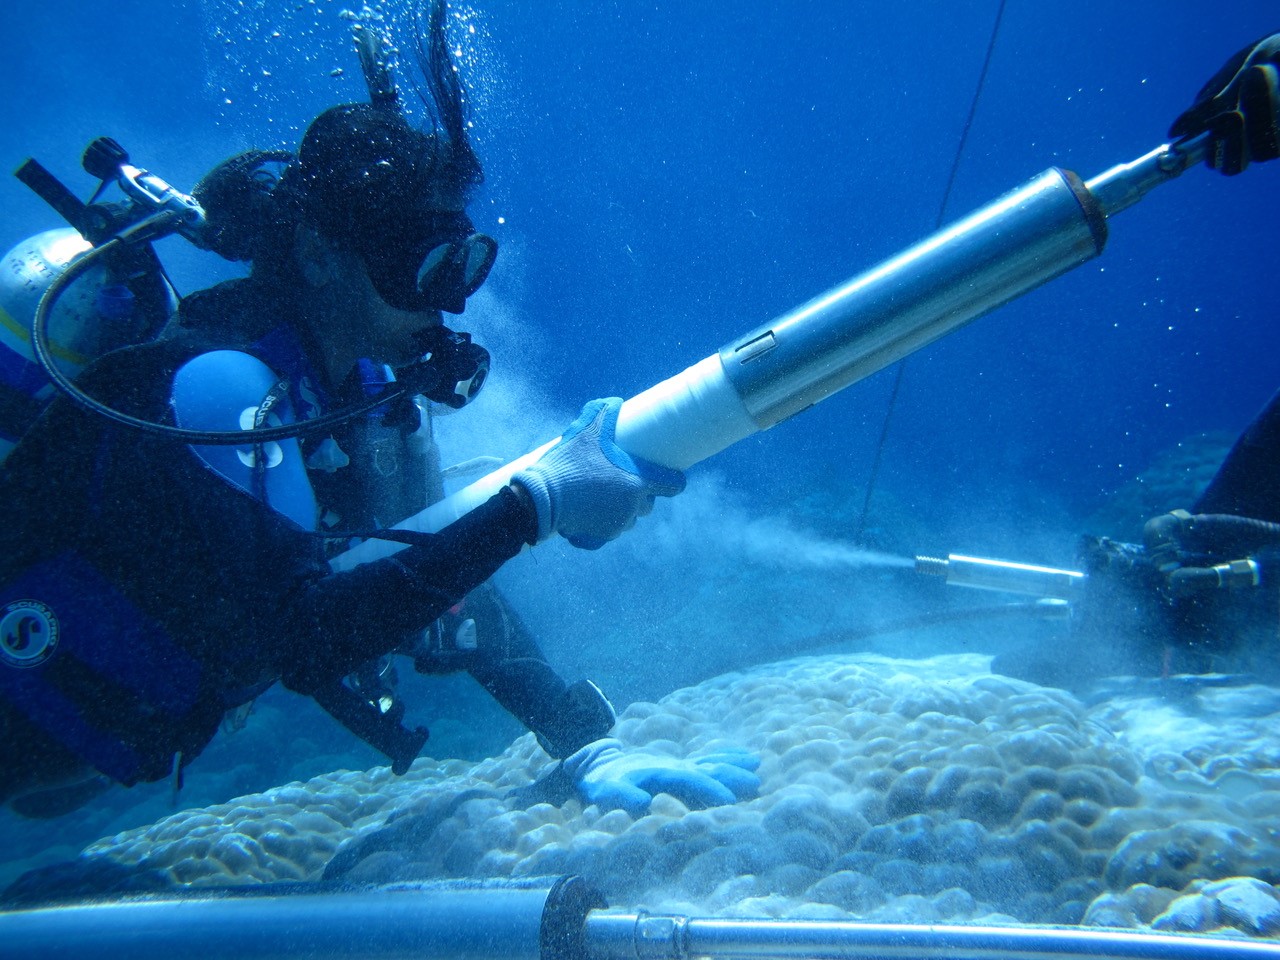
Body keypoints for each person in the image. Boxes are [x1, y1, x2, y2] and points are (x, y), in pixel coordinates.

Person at [0, 1, 759, 820]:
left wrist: (582, 740)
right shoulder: (223, 387)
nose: (449, 305)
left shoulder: (359, 394)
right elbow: (310, 639)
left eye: (461, 264)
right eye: (420, 268)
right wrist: (533, 503)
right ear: (321, 256)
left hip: (90, 739)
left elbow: (436, 580)